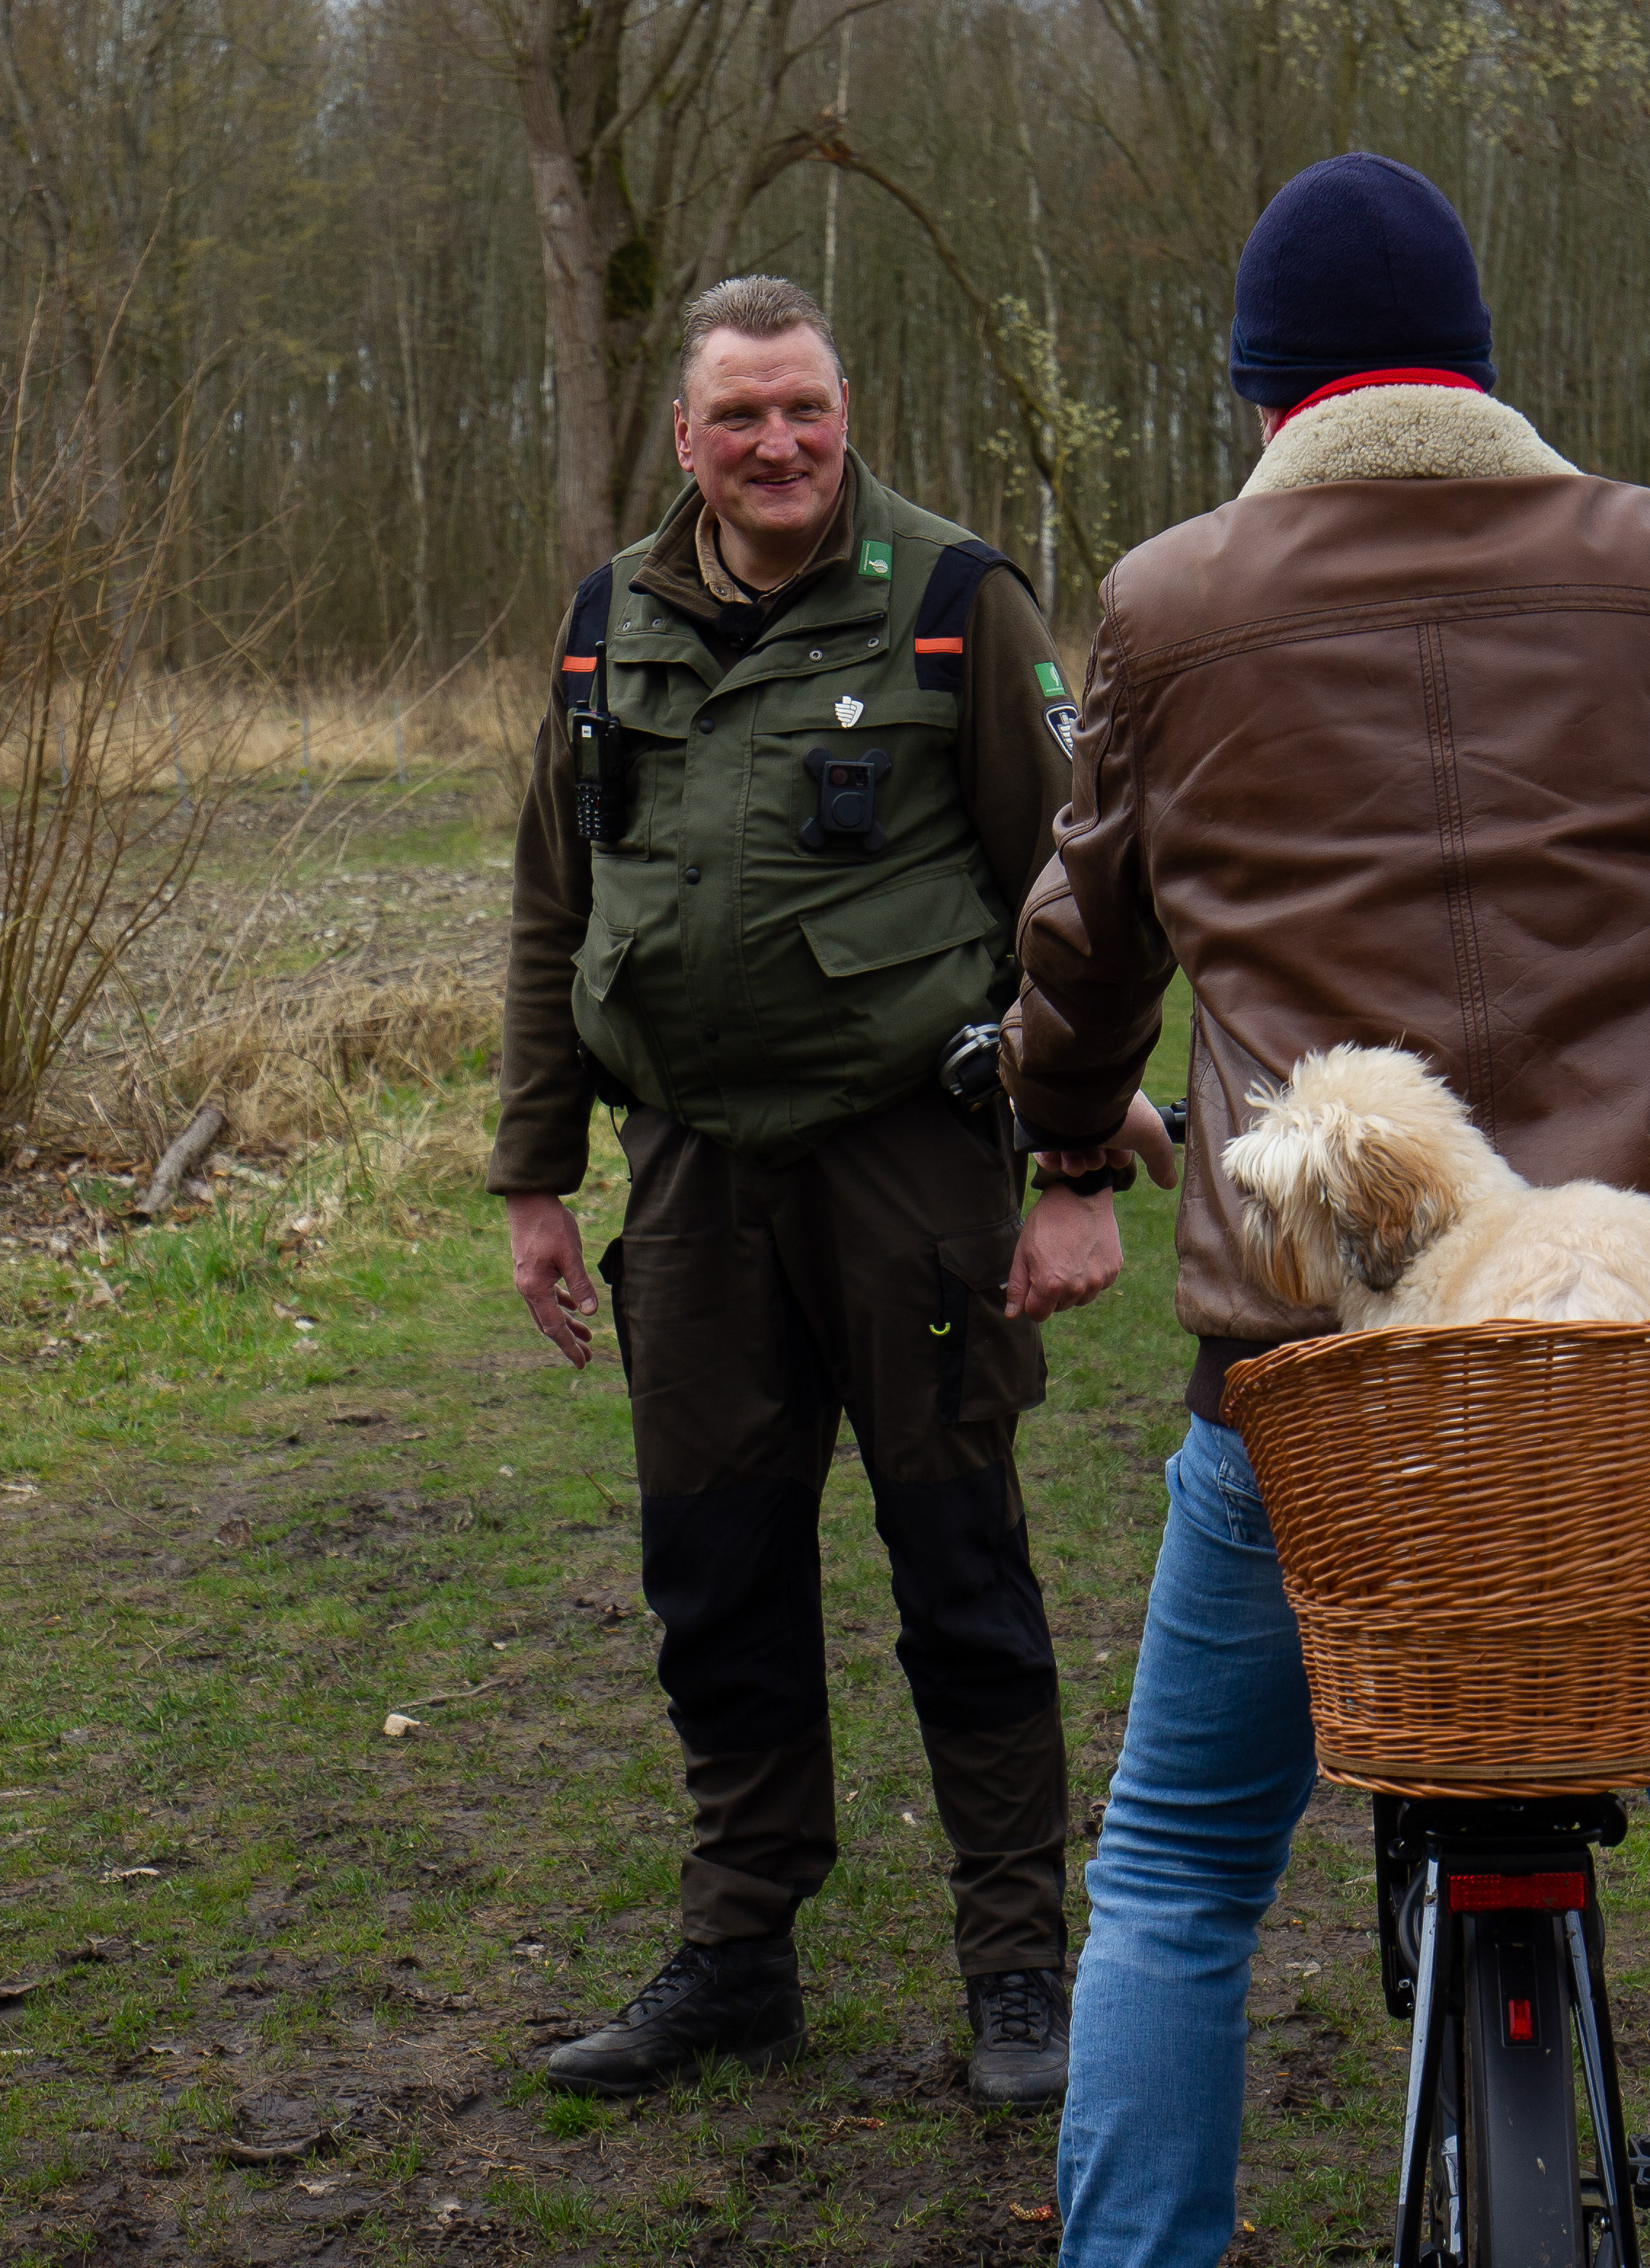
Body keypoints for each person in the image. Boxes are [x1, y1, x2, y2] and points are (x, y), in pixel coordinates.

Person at [1000, 157, 1650, 2264]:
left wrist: (1077, 1130)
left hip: (1315, 1392)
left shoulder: (1169, 607)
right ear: (1486, 378)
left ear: (1265, 398)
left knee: (1170, 1876)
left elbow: (1080, 960)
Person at [491, 274, 1130, 2106]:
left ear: (848, 415)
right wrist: (537, 1170)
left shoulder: (955, 604)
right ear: (685, 437)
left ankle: (1020, 1961)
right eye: (741, 416)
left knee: (960, 1565)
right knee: (714, 1569)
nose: (780, 445)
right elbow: (554, 904)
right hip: (686, 1171)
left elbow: (1078, 905)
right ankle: (739, 1946)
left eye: (809, 411)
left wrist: (1076, 1169)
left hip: (910, 1165)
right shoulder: (610, 615)